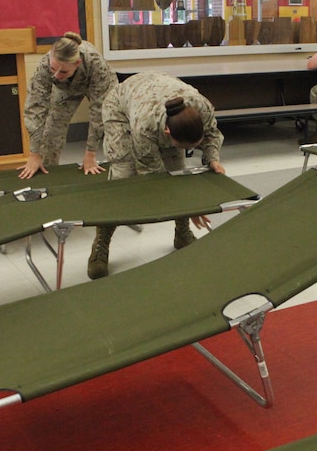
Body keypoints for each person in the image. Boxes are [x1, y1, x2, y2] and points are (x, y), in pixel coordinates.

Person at [88, 71, 225, 279]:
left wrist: (213, 157)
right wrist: (192, 208)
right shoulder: (145, 125)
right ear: (168, 134)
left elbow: (213, 133)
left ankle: (182, 233)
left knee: (178, 170)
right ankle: (101, 245)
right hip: (122, 108)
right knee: (122, 179)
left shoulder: (201, 107)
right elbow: (155, 179)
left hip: (155, 94)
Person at [18, 32, 118, 179]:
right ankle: (47, 173)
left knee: (114, 123)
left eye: (63, 71)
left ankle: (121, 170)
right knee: (52, 129)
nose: (56, 75)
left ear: (77, 63)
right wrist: (34, 154)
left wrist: (90, 153)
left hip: (98, 85)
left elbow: (99, 111)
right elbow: (35, 108)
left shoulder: (97, 65)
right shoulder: (45, 65)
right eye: (53, 69)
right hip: (66, 88)